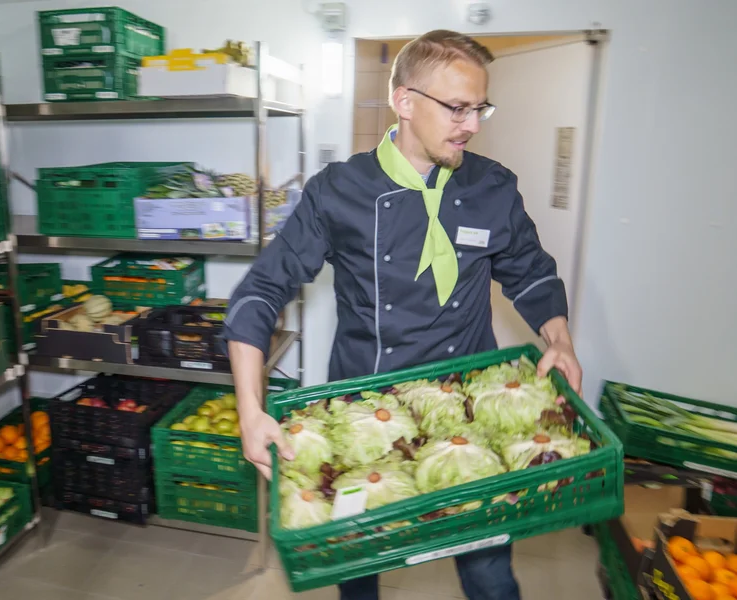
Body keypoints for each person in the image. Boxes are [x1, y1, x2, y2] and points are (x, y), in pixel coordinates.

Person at [222, 29, 583, 600]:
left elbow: (531, 271)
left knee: (490, 574)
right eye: (458, 108)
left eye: (480, 108)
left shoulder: (492, 186)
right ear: (405, 101)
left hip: (465, 410)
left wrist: (558, 339)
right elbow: (260, 292)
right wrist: (249, 409)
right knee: (359, 565)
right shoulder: (338, 191)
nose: (472, 124)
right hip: (368, 413)